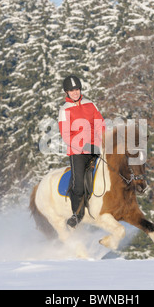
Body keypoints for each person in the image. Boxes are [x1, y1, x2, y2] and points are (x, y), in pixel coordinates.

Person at [58, 75, 105, 228]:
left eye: (77, 89)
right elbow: (65, 135)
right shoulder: (64, 110)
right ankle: (77, 214)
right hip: (77, 152)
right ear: (67, 92)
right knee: (78, 184)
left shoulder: (90, 104)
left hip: (96, 147)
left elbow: (99, 125)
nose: (75, 93)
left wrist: (103, 141)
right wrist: (84, 146)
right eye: (72, 91)